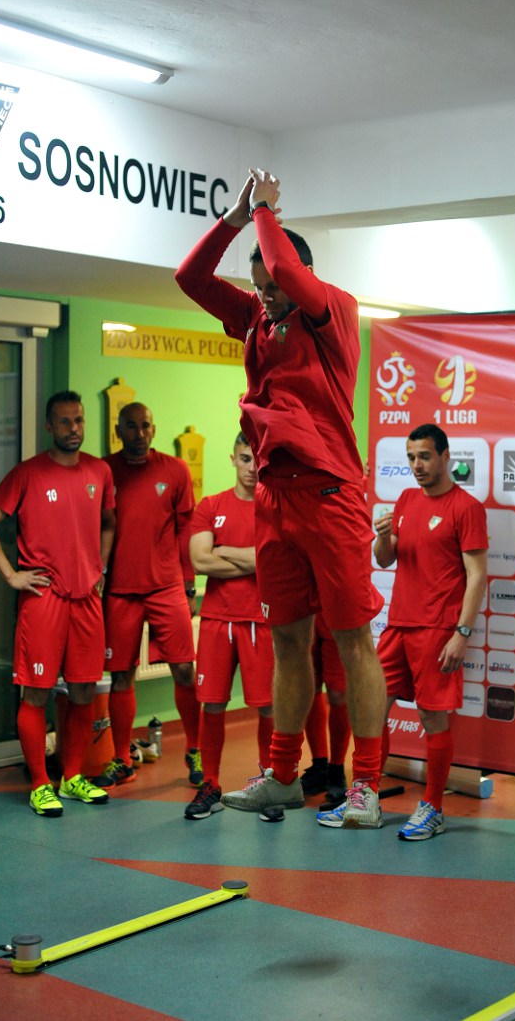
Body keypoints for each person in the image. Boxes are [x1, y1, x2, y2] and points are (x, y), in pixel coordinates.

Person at [175, 167, 386, 829]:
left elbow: (289, 272)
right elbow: (189, 278)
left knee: (352, 642)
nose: (265, 296)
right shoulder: (255, 321)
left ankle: (365, 786)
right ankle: (283, 776)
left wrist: (266, 210)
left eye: (271, 285)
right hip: (274, 499)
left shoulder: (333, 311)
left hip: (330, 495)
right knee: (288, 640)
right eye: (259, 287)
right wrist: (235, 218)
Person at [0, 391, 115, 817]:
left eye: (79, 420)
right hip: (43, 597)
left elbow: (109, 523)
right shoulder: (28, 474)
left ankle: (72, 777)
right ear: (49, 426)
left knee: (84, 690)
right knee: (35, 692)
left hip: (86, 598)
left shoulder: (100, 471)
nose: (74, 428)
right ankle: (39, 784)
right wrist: (11, 575)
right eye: (65, 421)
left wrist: (100, 567)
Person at [372, 423, 488, 841]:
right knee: (373, 707)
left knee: (430, 717)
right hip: (398, 624)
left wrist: (462, 633)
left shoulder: (466, 507)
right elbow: (385, 559)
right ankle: (365, 796)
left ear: (444, 456)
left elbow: (477, 576)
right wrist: (381, 538)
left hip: (438, 629)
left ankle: (433, 807)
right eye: (411, 457)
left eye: (424, 456)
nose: (417, 465)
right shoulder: (405, 499)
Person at [97, 402, 201, 788]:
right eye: (131, 426)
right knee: (121, 675)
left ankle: (196, 750)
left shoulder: (175, 470)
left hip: (167, 587)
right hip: (120, 590)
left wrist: (189, 584)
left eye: (145, 426)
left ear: (153, 430)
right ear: (118, 432)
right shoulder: (103, 471)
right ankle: (122, 759)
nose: (139, 433)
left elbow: (186, 529)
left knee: (184, 670)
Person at [184, 431, 274, 820]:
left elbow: (273, 560)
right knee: (213, 703)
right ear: (233, 458)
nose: (252, 468)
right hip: (218, 620)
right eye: (245, 458)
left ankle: (270, 784)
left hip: (262, 619)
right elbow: (200, 561)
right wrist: (252, 560)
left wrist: (225, 550)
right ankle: (211, 784)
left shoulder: (275, 507)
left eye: (258, 460)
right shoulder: (211, 505)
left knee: (268, 706)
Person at [301, 612, 350, 806]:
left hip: (337, 612)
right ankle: (319, 766)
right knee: (309, 686)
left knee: (338, 693)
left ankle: (337, 769)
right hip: (305, 611)